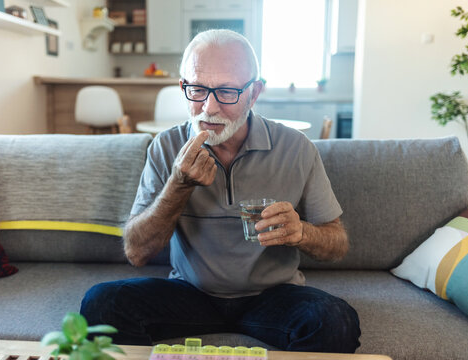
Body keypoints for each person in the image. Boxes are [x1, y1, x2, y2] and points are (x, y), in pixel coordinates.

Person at [80, 29, 361, 353]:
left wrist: (301, 233)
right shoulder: (167, 146)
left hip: (273, 296)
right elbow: (137, 252)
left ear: (254, 93)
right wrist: (178, 185)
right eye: (197, 89)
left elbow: (337, 243)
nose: (208, 107)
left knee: (336, 321)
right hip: (190, 294)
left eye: (227, 91)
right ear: (183, 86)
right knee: (101, 305)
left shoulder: (296, 148)